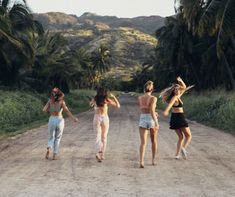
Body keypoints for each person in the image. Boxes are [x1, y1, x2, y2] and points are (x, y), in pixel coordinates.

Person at [160, 77, 193, 160]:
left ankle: (177, 155)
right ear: (174, 91)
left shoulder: (178, 96)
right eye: (176, 90)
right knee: (189, 136)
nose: (177, 90)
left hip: (174, 118)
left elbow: (184, 87)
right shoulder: (175, 97)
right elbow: (170, 105)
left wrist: (180, 80)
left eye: (178, 89)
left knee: (181, 137)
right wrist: (166, 111)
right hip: (179, 117)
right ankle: (183, 148)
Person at [43, 87, 78, 160]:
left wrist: (50, 112)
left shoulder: (50, 101)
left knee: (51, 137)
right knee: (57, 138)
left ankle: (49, 148)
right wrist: (73, 118)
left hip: (52, 119)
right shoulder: (62, 102)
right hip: (59, 120)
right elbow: (67, 111)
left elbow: (44, 110)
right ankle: (55, 155)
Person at [90, 88, 120, 162]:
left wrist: (93, 102)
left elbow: (90, 104)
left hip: (97, 117)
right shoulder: (107, 100)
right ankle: (102, 154)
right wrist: (114, 97)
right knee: (104, 137)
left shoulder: (95, 99)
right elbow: (118, 106)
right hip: (105, 118)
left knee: (97, 136)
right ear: (105, 93)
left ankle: (98, 152)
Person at [138, 81, 159, 168]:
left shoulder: (140, 98)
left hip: (142, 118)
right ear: (152, 89)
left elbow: (143, 109)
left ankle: (141, 161)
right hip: (151, 119)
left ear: (144, 89)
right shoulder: (153, 98)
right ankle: (153, 160)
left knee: (143, 142)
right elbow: (152, 111)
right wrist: (156, 122)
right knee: (153, 141)